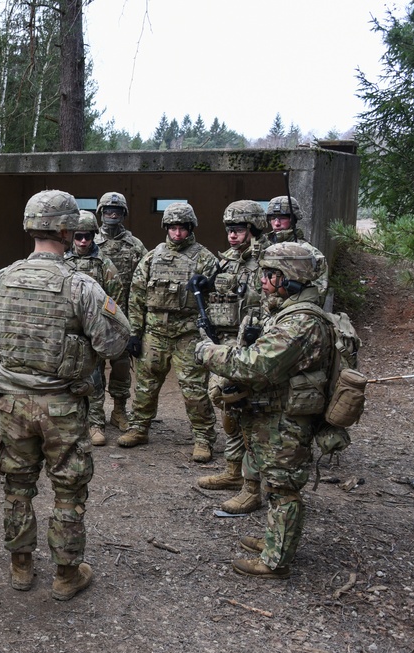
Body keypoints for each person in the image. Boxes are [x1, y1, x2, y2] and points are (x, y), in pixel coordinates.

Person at [0, 190, 131, 600]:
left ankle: (21, 567)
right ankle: (64, 574)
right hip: (62, 406)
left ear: (30, 226)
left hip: (9, 403)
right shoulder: (81, 286)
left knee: (17, 487)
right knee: (68, 491)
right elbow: (115, 343)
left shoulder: (1, 277)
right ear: (67, 229)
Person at [195, 242, 332, 579]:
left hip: (286, 419)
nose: (264, 282)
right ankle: (275, 541)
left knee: (282, 487)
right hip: (275, 412)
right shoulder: (287, 311)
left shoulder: (300, 322)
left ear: (292, 279)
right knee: (272, 482)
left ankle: (275, 562)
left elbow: (257, 365)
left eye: (272, 275)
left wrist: (208, 352)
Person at [119, 202, 220, 463]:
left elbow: (216, 299)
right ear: (167, 228)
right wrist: (134, 333)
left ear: (190, 228)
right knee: (145, 385)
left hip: (188, 333)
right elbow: (137, 296)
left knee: (194, 389)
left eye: (182, 228)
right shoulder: (152, 257)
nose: (177, 233)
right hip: (155, 331)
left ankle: (203, 438)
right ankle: (139, 428)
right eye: (173, 228)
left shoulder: (205, 259)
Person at [195, 200, 267, 515]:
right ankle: (233, 471)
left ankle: (252, 488)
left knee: (247, 410)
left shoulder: (269, 261)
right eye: (229, 230)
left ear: (253, 229)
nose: (232, 236)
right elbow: (209, 290)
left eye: (238, 230)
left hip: (256, 348)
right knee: (227, 401)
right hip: (227, 343)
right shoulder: (224, 261)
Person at [64, 210, 123, 446]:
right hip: (68, 330)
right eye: (78, 236)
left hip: (93, 331)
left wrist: (106, 329)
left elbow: (115, 298)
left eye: (88, 236)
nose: (83, 242)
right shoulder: (63, 262)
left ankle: (96, 423)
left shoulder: (104, 264)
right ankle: (69, 422)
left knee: (95, 378)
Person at [95, 192, 147, 431]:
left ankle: (119, 411)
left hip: (123, 317)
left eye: (116, 210)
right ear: (100, 213)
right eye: (107, 210)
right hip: (94, 318)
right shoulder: (88, 241)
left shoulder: (135, 245)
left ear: (124, 213)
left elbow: (144, 282)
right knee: (93, 367)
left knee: (121, 367)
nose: (112, 214)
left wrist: (137, 323)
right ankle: (94, 416)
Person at [264, 196, 328, 303]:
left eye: (282, 218)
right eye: (273, 218)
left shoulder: (307, 252)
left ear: (293, 219)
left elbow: (318, 293)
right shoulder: (263, 246)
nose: (276, 223)